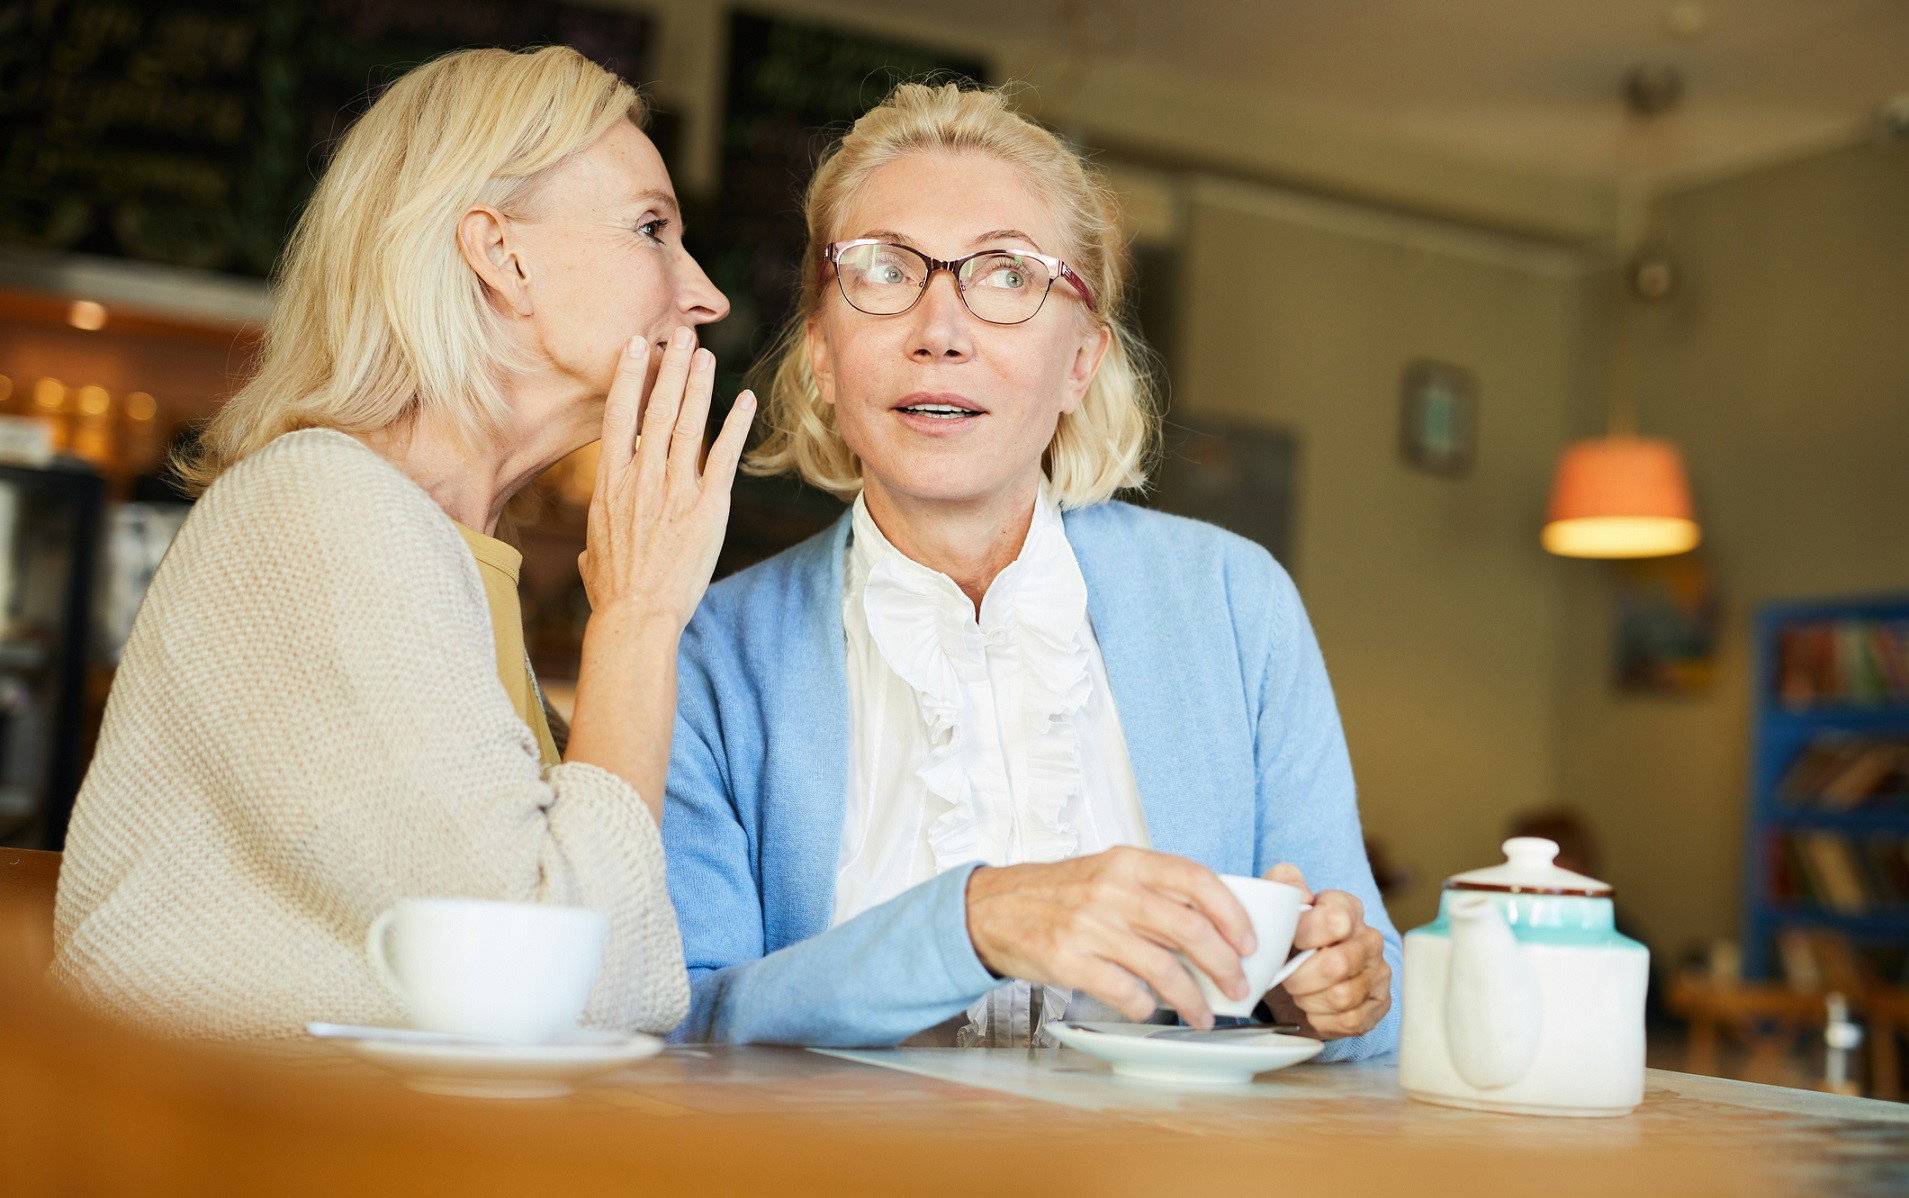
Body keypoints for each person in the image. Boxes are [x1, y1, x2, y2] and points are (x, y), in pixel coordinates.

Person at [662, 83, 1399, 1054]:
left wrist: (1328, 991)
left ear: (1082, 360)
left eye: (1006, 276)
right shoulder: (711, 645)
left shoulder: (1233, 599)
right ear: (822, 357)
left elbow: (1363, 998)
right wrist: (971, 921)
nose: (940, 328)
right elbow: (679, 1018)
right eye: (882, 271)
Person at [52, 46, 752, 1038]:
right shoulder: (319, 514)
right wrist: (638, 616)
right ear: (500, 258)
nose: (705, 293)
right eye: (652, 229)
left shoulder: (451, 551)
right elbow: (561, 990)